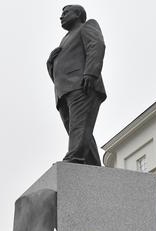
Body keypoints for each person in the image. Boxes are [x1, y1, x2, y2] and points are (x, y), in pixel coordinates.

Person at [47, 4, 106, 166]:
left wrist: (91, 73)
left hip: (81, 84)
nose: (61, 16)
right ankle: (93, 164)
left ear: (78, 14)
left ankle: (74, 156)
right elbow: (58, 71)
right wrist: (51, 62)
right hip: (63, 91)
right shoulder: (65, 39)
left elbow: (97, 46)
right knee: (78, 129)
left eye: (65, 13)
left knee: (79, 126)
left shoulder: (87, 26)